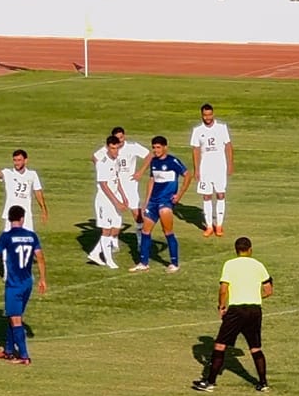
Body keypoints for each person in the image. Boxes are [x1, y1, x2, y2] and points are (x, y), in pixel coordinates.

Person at [192, 236, 273, 393]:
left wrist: (221, 306)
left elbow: (223, 289)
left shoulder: (230, 264)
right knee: (255, 347)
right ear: (250, 250)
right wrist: (255, 297)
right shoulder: (258, 265)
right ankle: (263, 383)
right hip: (255, 310)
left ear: (236, 250)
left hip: (236, 310)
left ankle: (210, 382)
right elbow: (269, 290)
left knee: (220, 345)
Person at [0, 203, 47, 365]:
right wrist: (43, 279)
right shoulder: (32, 236)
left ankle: (24, 356)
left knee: (15, 319)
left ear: (9, 219)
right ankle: (8, 351)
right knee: (13, 316)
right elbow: (41, 258)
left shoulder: (6, 236)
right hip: (28, 282)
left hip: (14, 284)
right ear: (22, 219)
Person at [131, 136, 192, 273]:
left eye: (158, 147)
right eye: (153, 147)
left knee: (167, 232)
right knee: (145, 231)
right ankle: (143, 263)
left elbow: (188, 175)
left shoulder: (173, 161)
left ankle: (174, 263)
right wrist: (146, 201)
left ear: (165, 147)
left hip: (165, 202)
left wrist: (179, 194)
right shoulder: (153, 162)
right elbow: (152, 180)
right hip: (153, 201)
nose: (155, 150)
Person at [190, 103, 234, 238]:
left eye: (209, 114)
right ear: (201, 115)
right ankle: (209, 226)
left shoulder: (221, 128)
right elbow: (196, 150)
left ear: (213, 114)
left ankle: (219, 225)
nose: (207, 117)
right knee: (206, 196)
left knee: (220, 194)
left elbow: (228, 146)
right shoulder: (197, 130)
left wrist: (230, 164)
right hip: (205, 168)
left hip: (220, 167)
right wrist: (197, 169)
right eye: (205, 115)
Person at [87, 135, 130, 269]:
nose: (115, 151)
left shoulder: (116, 161)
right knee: (106, 230)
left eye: (117, 148)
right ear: (107, 148)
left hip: (115, 197)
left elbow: (117, 180)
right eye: (112, 148)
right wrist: (117, 202)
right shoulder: (102, 163)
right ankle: (109, 260)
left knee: (116, 228)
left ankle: (95, 253)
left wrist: (124, 197)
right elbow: (104, 186)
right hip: (105, 200)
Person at [0, 149, 48, 230]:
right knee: (9, 239)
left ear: (25, 160)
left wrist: (44, 210)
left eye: (19, 160)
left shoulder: (32, 174)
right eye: (15, 160)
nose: (16, 163)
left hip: (26, 215)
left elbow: (37, 191)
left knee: (27, 240)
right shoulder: (8, 173)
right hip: (11, 215)